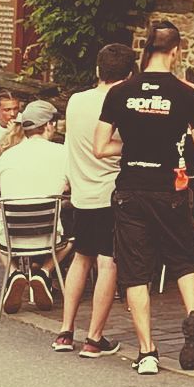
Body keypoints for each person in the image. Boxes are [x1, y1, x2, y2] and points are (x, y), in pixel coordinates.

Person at [95, 20, 194, 375]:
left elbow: (100, 146)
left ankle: (147, 351)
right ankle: (192, 315)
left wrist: (131, 145)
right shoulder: (186, 93)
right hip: (171, 189)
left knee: (135, 270)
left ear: (145, 49)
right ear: (176, 51)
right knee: (184, 256)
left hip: (132, 187)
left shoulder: (119, 92)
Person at [56, 43, 133, 358]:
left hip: (82, 192)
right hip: (110, 191)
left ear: (98, 70)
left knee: (81, 258)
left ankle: (65, 330)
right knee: (108, 262)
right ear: (129, 75)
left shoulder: (75, 101)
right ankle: (94, 337)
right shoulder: (122, 104)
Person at [0, 100, 70, 314]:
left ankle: (13, 273)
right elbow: (77, 191)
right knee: (74, 235)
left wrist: (3, 208)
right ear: (49, 125)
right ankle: (45, 272)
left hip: (12, 240)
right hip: (50, 237)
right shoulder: (63, 153)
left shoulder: (8, 155)